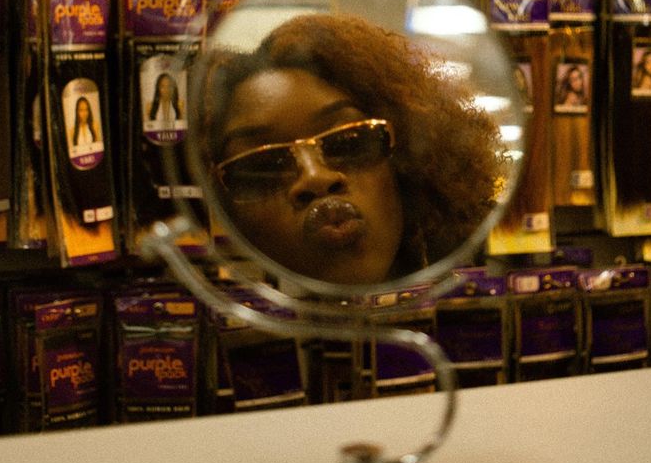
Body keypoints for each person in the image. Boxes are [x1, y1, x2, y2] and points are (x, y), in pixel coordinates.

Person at [197, 14, 504, 286]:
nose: (316, 178)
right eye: (263, 165)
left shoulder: (485, 274)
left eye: (348, 142)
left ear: (410, 159)